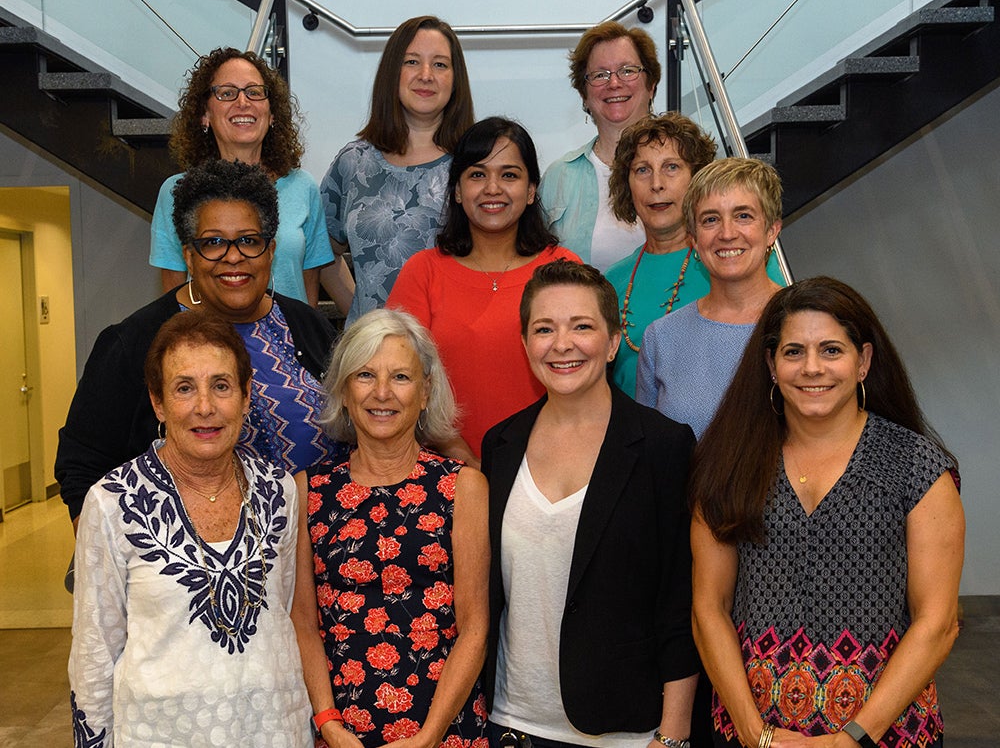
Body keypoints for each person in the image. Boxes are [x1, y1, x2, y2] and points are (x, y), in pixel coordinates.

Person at [690, 277, 964, 748]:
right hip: (752, 734)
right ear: (771, 366)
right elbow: (707, 610)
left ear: (864, 362)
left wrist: (850, 738)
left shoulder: (917, 468)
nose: (812, 368)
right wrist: (758, 735)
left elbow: (937, 623)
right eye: (793, 352)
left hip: (886, 735)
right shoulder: (729, 464)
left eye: (832, 350)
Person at [481, 259, 699, 748]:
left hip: (627, 731)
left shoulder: (663, 446)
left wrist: (673, 735)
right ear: (524, 343)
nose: (562, 344)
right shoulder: (500, 445)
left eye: (582, 326)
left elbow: (681, 601)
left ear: (613, 341)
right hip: (512, 723)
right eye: (544, 328)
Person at [69, 311, 312, 746]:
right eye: (184, 388)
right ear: (158, 403)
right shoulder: (112, 503)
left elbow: (289, 615)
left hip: (275, 729)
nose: (205, 407)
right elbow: (94, 651)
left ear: (245, 394)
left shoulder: (281, 493)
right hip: (159, 735)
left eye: (221, 385)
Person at [57, 159, 342, 527]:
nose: (233, 256)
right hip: (188, 567)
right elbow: (82, 467)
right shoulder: (134, 342)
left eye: (249, 241)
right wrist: (113, 565)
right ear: (189, 257)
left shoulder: (309, 326)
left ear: (270, 252)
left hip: (323, 557)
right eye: (213, 243)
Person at [291, 308, 490, 748]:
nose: (382, 393)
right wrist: (327, 723)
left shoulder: (464, 488)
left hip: (446, 731)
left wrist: (430, 736)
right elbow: (303, 623)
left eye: (401, 377)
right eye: (364, 375)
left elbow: (474, 626)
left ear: (425, 393)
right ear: (343, 390)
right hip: (342, 733)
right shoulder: (308, 491)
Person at [387, 117, 579, 463]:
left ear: (532, 190)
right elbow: (399, 380)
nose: (493, 188)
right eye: (477, 174)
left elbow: (586, 380)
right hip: (444, 471)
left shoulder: (563, 270)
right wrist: (460, 458)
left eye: (509, 175)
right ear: (458, 191)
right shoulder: (422, 272)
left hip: (552, 468)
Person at [149, 47, 347, 309]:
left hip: (284, 345)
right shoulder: (176, 192)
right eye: (227, 93)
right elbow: (172, 298)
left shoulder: (303, 187)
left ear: (272, 113)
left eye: (254, 92)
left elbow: (308, 289)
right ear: (205, 115)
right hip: (209, 343)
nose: (243, 102)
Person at [320, 16, 475, 325]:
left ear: (456, 79)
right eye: (412, 62)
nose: (426, 75)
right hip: (372, 358)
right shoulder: (353, 162)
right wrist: (364, 318)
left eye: (441, 65)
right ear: (392, 72)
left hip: (453, 352)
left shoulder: (476, 164)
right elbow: (321, 253)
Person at [636, 158, 784, 437]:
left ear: (772, 231)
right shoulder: (661, 338)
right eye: (711, 220)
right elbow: (651, 455)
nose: (727, 234)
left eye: (743, 216)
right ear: (693, 239)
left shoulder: (808, 323)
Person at [604, 113, 717, 396]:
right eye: (642, 170)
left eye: (671, 167)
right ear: (626, 185)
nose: (656, 183)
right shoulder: (611, 281)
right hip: (630, 437)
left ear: (697, 178)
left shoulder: (730, 263)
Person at [539, 21, 659, 270]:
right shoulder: (558, 177)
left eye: (627, 70)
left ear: (651, 85)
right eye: (600, 75)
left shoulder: (689, 166)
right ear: (584, 94)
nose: (614, 83)